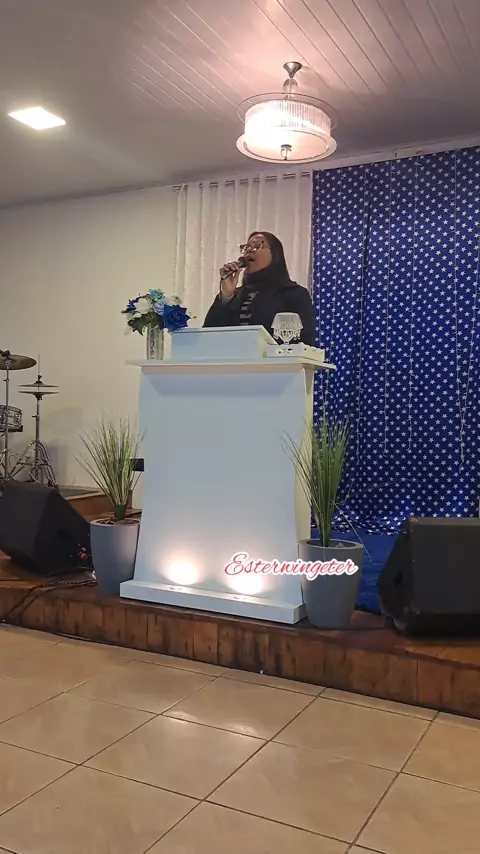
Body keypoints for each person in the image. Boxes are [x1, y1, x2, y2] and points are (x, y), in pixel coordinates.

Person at [203, 231, 314, 345]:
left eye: (257, 245)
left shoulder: (294, 294)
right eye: (247, 247)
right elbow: (207, 337)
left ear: (275, 255)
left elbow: (303, 341)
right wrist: (226, 297)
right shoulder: (232, 295)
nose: (249, 250)